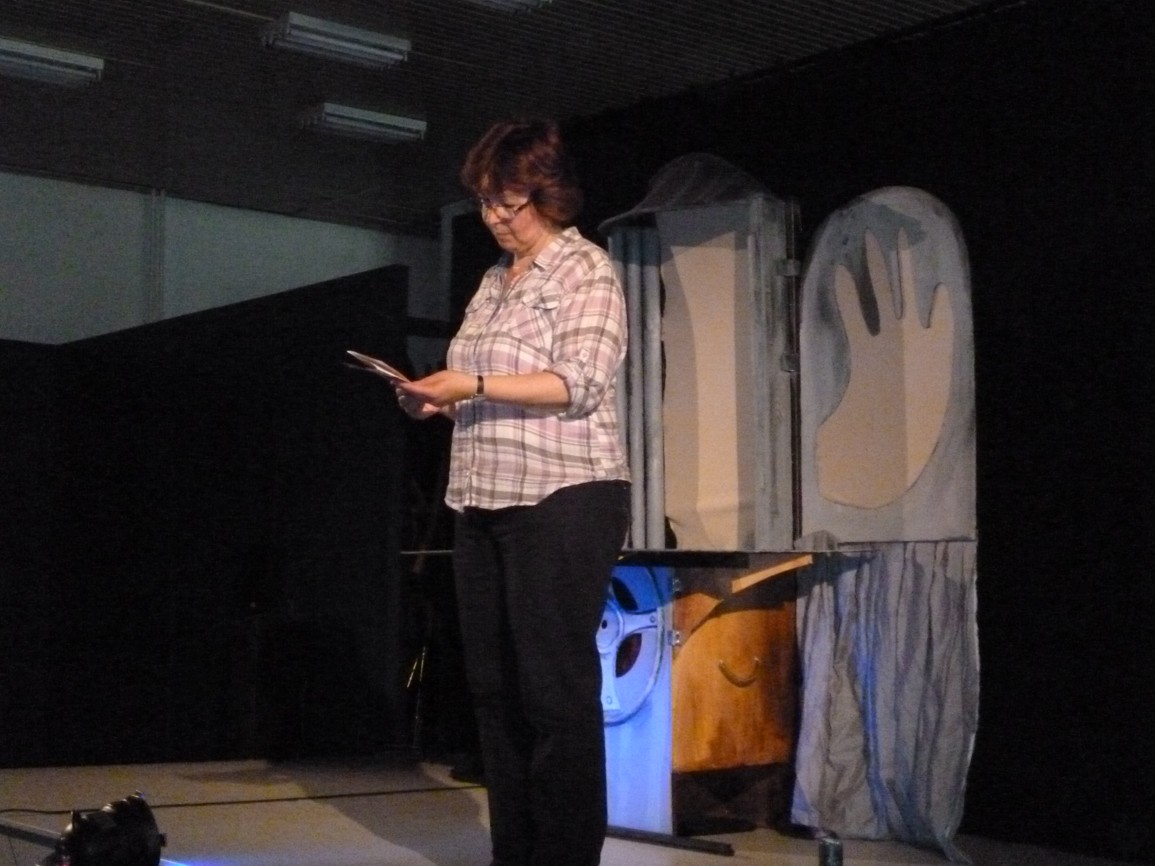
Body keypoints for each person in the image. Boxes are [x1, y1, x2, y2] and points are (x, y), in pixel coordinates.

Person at [394, 119, 631, 866]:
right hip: (482, 501)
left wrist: (472, 382)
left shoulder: (585, 270)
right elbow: (483, 392)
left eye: (508, 202)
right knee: (493, 694)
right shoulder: (495, 282)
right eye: (485, 203)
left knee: (553, 694)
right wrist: (438, 401)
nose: (494, 217)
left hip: (563, 498)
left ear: (547, 193)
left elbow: (577, 384)